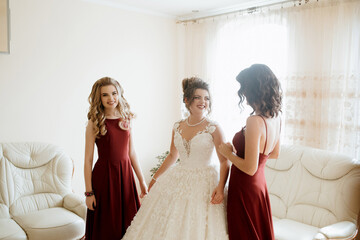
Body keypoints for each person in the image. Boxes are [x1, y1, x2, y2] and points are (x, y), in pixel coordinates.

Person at [122, 77, 230, 240]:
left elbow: (224, 161)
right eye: (198, 97)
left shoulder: (214, 128)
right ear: (187, 100)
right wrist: (155, 177)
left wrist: (221, 188)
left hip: (204, 182)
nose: (203, 101)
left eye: (206, 98)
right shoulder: (177, 126)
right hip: (179, 176)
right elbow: (173, 155)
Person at [219, 64, 282, 240]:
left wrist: (228, 153)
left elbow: (249, 168)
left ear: (255, 89)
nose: (243, 92)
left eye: (244, 87)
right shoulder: (277, 117)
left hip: (245, 187)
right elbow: (274, 153)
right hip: (259, 186)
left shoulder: (254, 121)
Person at [84, 77, 148, 239]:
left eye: (114, 93)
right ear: (99, 98)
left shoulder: (126, 118)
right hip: (105, 179)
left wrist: (141, 181)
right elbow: (88, 160)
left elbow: (131, 153)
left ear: (119, 94)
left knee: (131, 224)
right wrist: (89, 193)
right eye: (105, 95)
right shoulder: (95, 122)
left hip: (125, 177)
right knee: (107, 226)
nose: (111, 98)